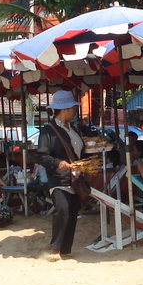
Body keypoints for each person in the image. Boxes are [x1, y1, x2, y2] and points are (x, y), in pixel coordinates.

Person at [35, 90, 87, 259]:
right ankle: (55, 249)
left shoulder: (72, 129)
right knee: (62, 209)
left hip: (75, 177)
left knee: (72, 211)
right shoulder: (48, 131)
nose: (75, 111)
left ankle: (65, 249)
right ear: (65, 109)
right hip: (58, 178)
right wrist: (57, 163)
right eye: (73, 108)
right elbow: (42, 155)